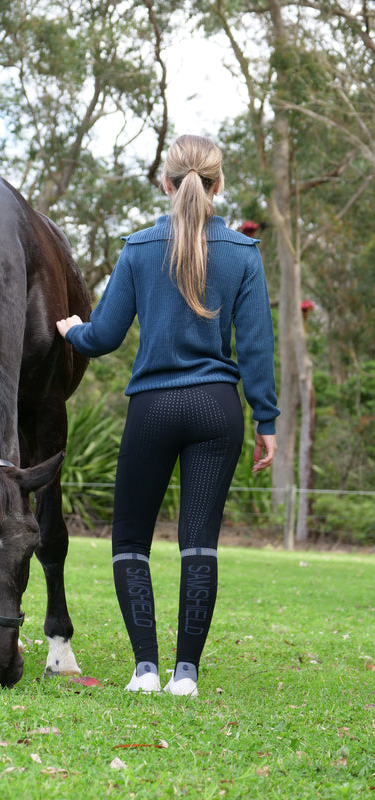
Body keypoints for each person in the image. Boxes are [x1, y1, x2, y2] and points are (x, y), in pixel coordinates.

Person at [56, 134, 279, 698]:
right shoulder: (243, 254)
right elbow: (255, 350)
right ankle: (187, 675)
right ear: (217, 184)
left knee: (130, 541)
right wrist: (266, 422)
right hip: (217, 410)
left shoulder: (138, 249)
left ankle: (145, 670)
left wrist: (70, 332)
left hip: (152, 409)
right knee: (198, 542)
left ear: (166, 182)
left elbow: (103, 337)